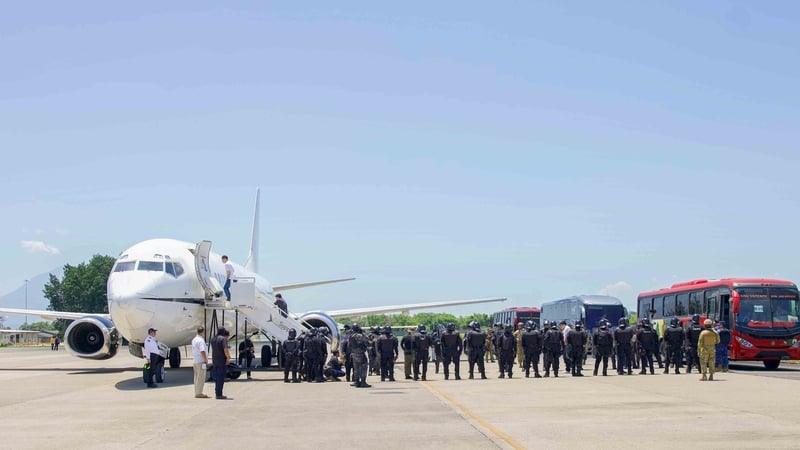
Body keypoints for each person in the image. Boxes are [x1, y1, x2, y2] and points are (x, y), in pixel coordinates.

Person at [210, 328, 232, 399]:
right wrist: (228, 357)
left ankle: (217, 392)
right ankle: (219, 394)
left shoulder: (213, 339)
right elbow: (225, 349)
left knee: (217, 378)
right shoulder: (223, 339)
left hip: (215, 360)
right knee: (221, 378)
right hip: (222, 360)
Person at [348, 323, 371, 388]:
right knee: (364, 367)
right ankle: (363, 382)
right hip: (360, 353)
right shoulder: (359, 335)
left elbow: (349, 346)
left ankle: (356, 381)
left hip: (354, 353)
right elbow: (367, 340)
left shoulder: (351, 336)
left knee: (356, 369)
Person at [191, 326, 209, 398]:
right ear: (203, 332)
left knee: (196, 377)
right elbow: (202, 351)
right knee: (201, 377)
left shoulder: (194, 339)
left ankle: (197, 391)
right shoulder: (201, 340)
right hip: (200, 360)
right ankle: (199, 393)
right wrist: (205, 359)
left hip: (195, 360)